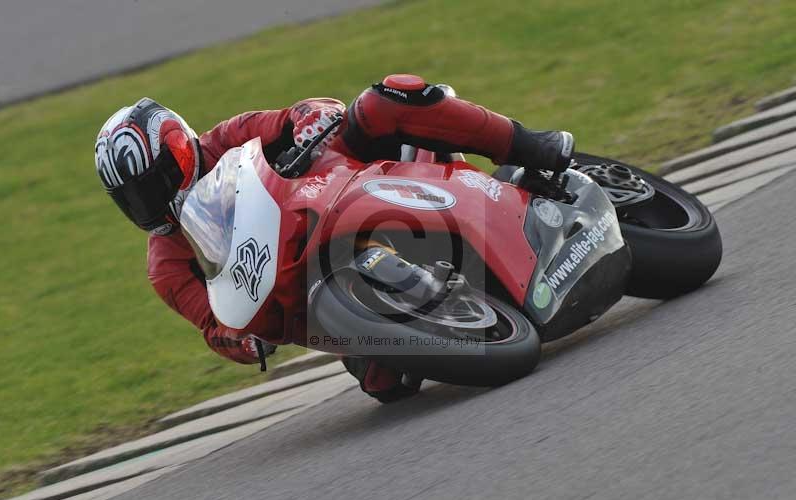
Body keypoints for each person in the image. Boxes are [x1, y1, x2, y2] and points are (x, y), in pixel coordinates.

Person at [94, 74, 574, 403]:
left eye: (153, 183)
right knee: (385, 385)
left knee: (385, 100)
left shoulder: (230, 138)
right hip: (306, 288)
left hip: (338, 186)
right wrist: (242, 343)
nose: (150, 203)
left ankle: (533, 146)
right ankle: (440, 302)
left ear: (179, 148)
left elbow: (307, 111)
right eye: (132, 198)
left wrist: (309, 130)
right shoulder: (167, 265)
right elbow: (212, 324)